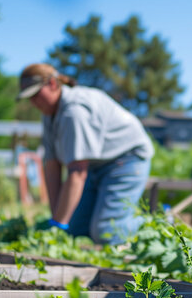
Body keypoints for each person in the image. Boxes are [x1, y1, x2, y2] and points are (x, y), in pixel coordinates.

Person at [17, 63, 154, 244]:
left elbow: (77, 172)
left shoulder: (74, 112)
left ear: (52, 84)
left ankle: (160, 222)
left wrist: (58, 225)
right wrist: (56, 221)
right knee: (75, 229)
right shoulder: (49, 115)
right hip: (97, 164)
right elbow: (52, 166)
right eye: (29, 98)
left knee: (106, 231)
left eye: (36, 94)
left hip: (127, 158)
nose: (33, 102)